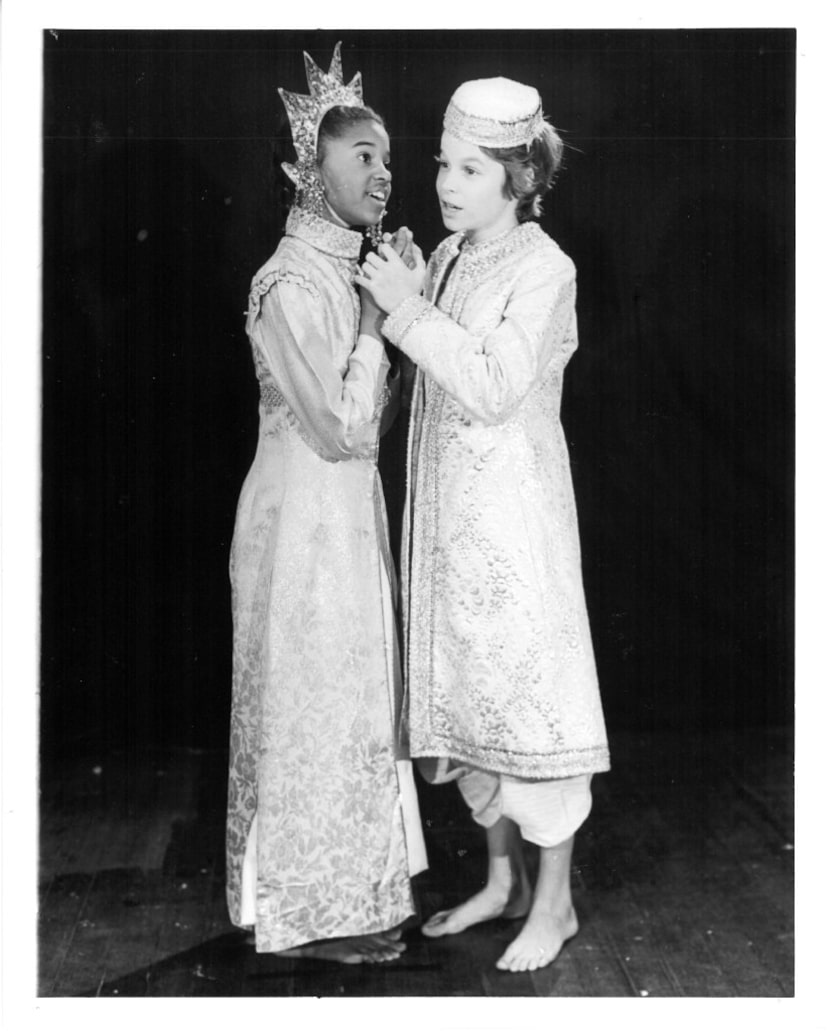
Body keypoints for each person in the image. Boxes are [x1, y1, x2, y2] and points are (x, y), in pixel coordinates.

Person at [356, 76, 610, 973]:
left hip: (515, 523)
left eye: (469, 169)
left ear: (518, 177)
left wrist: (408, 309)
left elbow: (497, 385)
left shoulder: (546, 268)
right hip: (449, 525)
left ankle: (557, 900)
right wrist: (412, 300)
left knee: (528, 705)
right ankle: (500, 882)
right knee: (468, 703)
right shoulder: (458, 253)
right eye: (441, 164)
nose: (446, 184)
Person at [226, 43, 427, 966]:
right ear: (309, 172)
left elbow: (366, 431)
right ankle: (308, 915)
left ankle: (351, 896)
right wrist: (384, 326)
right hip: (302, 525)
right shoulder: (287, 281)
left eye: (388, 159)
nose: (385, 176)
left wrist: (384, 311)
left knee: (349, 700)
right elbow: (343, 426)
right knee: (313, 700)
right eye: (365, 159)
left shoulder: (343, 271)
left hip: (343, 523)